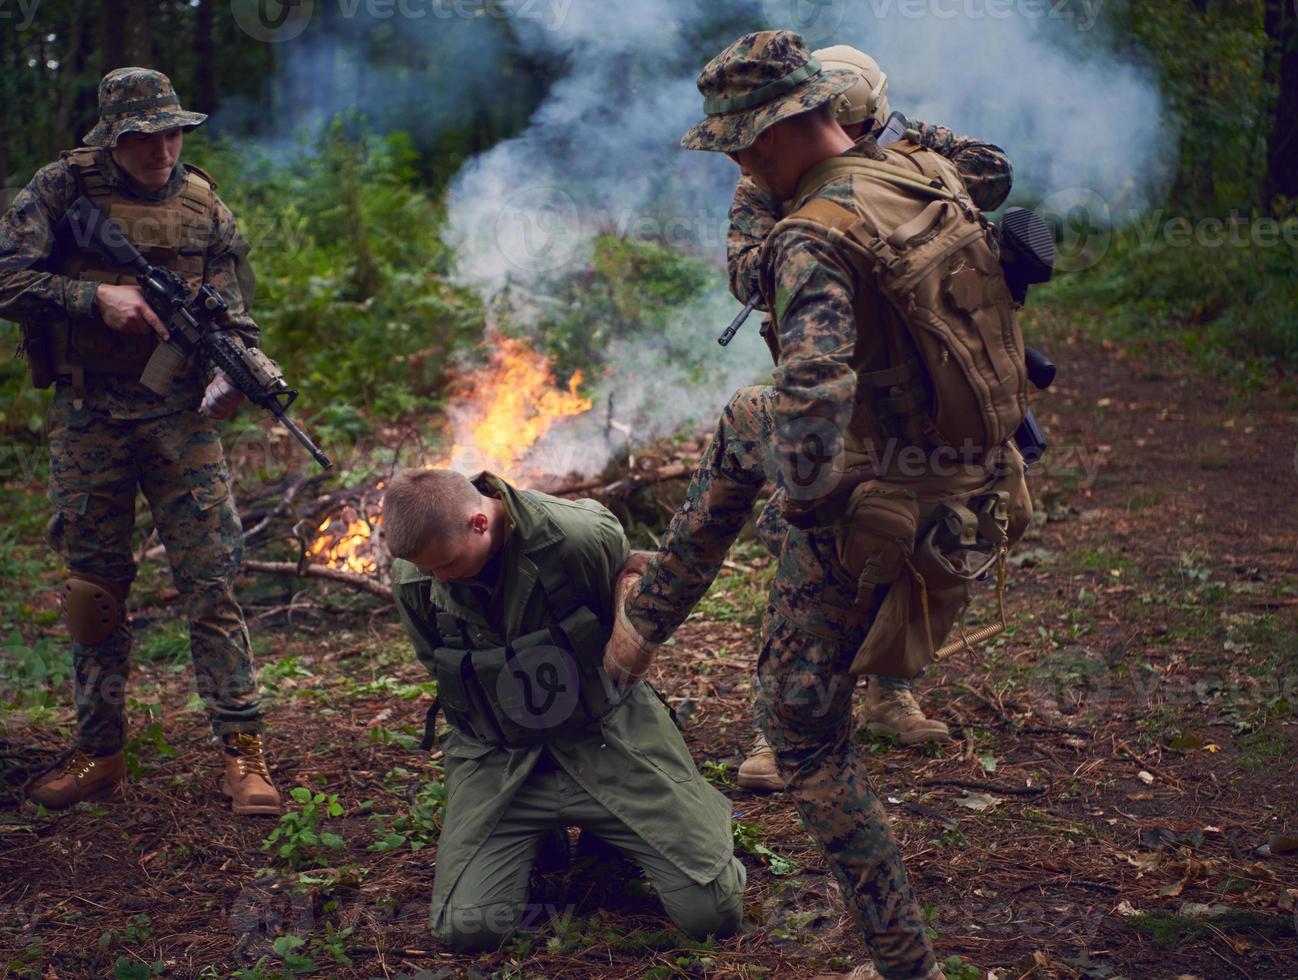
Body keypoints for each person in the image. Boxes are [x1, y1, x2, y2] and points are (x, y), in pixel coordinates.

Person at [607, 30, 1036, 979]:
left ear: (765, 136)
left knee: (800, 734)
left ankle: (903, 965)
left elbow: (811, 391)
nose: (732, 157)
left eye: (735, 141)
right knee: (743, 423)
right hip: (974, 483)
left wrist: (807, 516)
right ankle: (646, 626)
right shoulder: (921, 168)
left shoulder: (812, 236)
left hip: (889, 505)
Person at [0, 68, 281, 816]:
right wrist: (92, 297)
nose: (164, 149)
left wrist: (241, 369)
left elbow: (230, 311)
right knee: (95, 596)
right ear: (115, 138)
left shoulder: (203, 203)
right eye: (147, 136)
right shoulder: (61, 190)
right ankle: (99, 753)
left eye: (174, 132)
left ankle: (244, 755)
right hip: (90, 420)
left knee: (213, 584)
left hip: (182, 422)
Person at [723, 43, 1015, 790]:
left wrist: (900, 138)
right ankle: (781, 728)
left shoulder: (906, 160)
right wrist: (794, 211)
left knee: (922, 546)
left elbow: (993, 175)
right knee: (819, 550)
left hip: (922, 383)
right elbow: (746, 275)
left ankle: (891, 694)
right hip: (835, 385)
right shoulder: (780, 189)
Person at [384, 468, 744, 953]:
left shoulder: (577, 537)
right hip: (504, 763)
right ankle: (539, 836)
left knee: (712, 913)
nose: (438, 578)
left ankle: (647, 823)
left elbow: (637, 609)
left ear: (478, 523)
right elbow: (443, 672)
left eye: (445, 564)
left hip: (607, 742)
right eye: (428, 570)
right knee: (469, 929)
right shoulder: (418, 576)